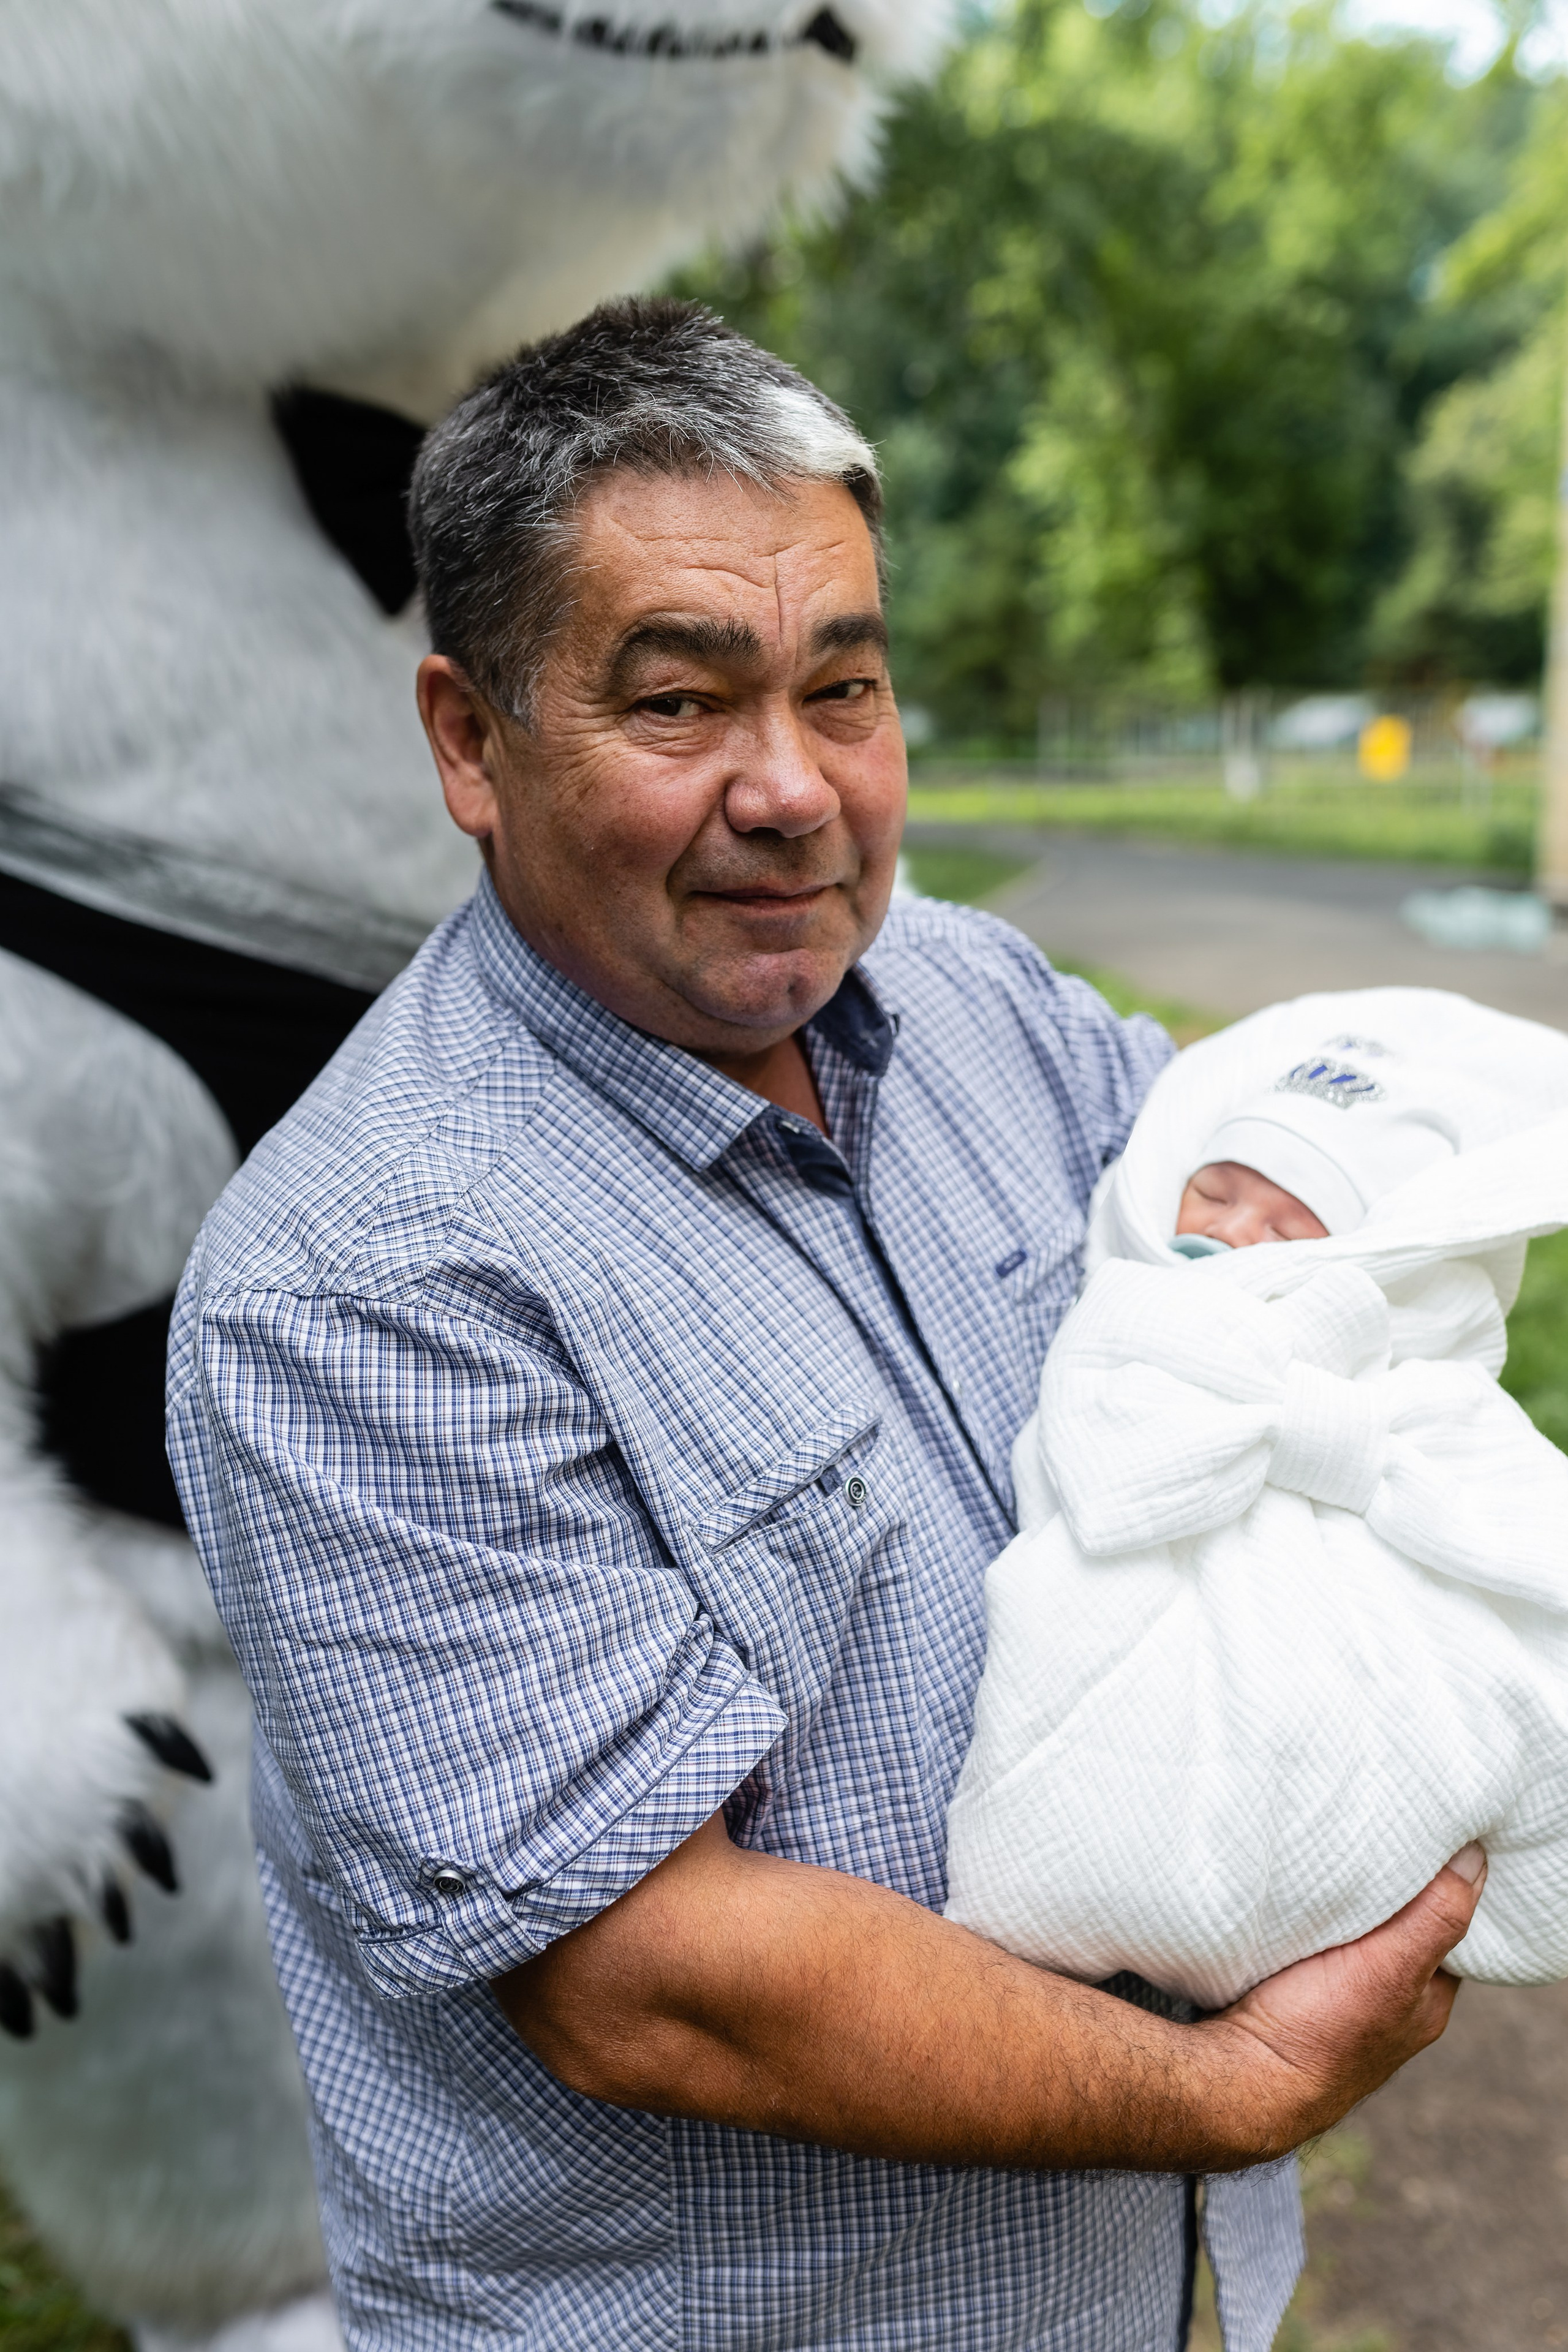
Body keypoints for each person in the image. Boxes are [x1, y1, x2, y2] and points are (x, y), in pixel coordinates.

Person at [167, 303, 1482, 2352]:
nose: (792, 789)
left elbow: (1282, 1308)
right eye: (681, 701)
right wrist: (1234, 2089)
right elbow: (653, 1983)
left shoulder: (985, 1009)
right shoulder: (364, 1284)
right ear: (470, 741)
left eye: (844, 688)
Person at [948, 989, 1568, 2020]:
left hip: (1337, 1504)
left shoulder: (1411, 1384)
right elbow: (1100, 1457)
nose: (1233, 1231)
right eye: (1215, 1192)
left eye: (1285, 1225)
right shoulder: (1128, 1328)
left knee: (1430, 1676)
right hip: (1158, 1505)